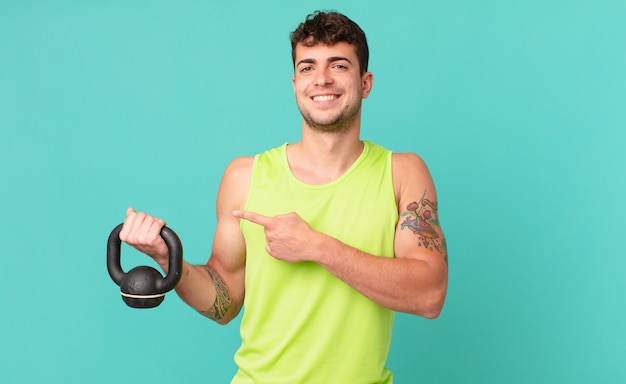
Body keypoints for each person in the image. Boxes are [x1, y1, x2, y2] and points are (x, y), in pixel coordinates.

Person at [120, 10, 448, 384]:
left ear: (366, 82)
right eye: (307, 67)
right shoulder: (245, 176)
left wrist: (317, 247)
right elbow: (223, 303)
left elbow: (430, 294)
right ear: (295, 83)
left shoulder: (402, 173)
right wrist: (170, 261)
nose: (321, 78)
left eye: (338, 65)